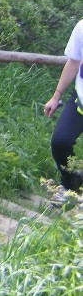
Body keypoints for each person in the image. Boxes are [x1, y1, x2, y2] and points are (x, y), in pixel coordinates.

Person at [42, 19, 83, 207]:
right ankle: (71, 184)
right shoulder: (82, 27)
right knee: (60, 142)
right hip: (80, 101)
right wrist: (56, 96)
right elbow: (74, 62)